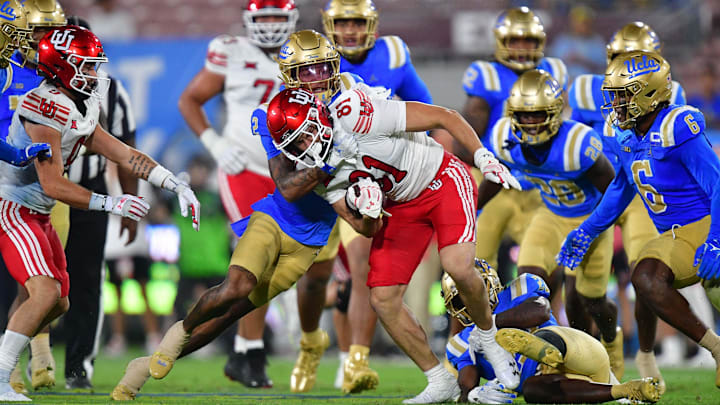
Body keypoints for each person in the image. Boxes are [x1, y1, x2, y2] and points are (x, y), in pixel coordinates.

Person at [265, 63, 523, 403]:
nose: (307, 146)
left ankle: (489, 338)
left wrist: (482, 156)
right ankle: (438, 379)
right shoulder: (317, 174)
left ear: (320, 117)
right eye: (296, 145)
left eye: (309, 133)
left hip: (440, 179)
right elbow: (364, 229)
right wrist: (370, 212)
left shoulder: (357, 112)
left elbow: (444, 116)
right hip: (401, 207)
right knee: (382, 299)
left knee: (458, 266)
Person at [0, 26, 200, 402]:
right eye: (87, 67)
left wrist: (175, 184)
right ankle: (0, 375)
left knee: (60, 301)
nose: (95, 75)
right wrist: (113, 203)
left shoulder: (80, 102)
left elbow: (124, 154)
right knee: (42, 294)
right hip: (14, 207)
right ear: (62, 67)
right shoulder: (43, 106)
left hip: (39, 214)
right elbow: (53, 185)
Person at [290, 0, 437, 394]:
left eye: (357, 22)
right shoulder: (311, 56)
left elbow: (423, 108)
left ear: (370, 24)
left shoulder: (393, 53)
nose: (351, 31)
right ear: (328, 25)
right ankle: (310, 342)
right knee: (315, 279)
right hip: (322, 181)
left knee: (361, 267)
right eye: (343, 22)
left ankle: (357, 360)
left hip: (369, 178)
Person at [557, 51, 720, 392]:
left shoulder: (678, 125)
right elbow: (622, 186)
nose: (615, 103)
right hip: (676, 237)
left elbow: (718, 183)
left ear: (649, 92)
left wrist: (716, 239)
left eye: (623, 94)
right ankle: (717, 348)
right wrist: (589, 228)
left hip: (708, 224)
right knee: (645, 276)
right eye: (614, 94)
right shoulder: (627, 136)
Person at [177, 0, 298, 388]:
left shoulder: (304, 52)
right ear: (249, 20)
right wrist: (214, 144)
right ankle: (241, 350)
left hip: (288, 173)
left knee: (273, 264)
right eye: (263, 18)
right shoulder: (230, 50)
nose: (270, 27)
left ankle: (246, 350)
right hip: (242, 167)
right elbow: (190, 99)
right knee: (255, 259)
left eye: (278, 18)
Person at [567, 20, 688, 386]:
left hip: (639, 191)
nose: (629, 69)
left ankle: (647, 353)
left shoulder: (672, 93)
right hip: (596, 192)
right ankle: (599, 347)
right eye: (623, 58)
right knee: (582, 290)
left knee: (643, 271)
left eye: (640, 60)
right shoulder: (585, 89)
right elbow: (572, 142)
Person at [478, 69, 622, 377]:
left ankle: (609, 342)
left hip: (590, 219)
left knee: (585, 300)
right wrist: (472, 209)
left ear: (555, 113)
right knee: (528, 286)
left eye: (537, 115)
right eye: (523, 115)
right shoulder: (505, 138)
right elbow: (495, 177)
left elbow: (614, 190)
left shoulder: (577, 144)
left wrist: (593, 229)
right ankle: (547, 357)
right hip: (552, 215)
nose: (529, 122)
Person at [441, 261, 661, 404]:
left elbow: (540, 311)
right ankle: (624, 391)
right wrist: (471, 395)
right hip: (567, 379)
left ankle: (541, 350)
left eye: (472, 291)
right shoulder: (462, 341)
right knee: (532, 391)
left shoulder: (520, 288)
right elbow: (467, 382)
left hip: (576, 351)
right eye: (461, 299)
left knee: (546, 337)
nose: (469, 301)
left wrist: (491, 324)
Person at [460, 6, 566, 286]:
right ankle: (461, 331)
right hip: (492, 180)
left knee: (550, 264)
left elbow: (564, 126)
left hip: (536, 182)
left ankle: (544, 325)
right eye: (515, 41)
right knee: (472, 266)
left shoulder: (553, 71)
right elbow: (467, 134)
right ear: (500, 42)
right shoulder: (487, 76)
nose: (522, 48)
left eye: (529, 41)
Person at [1, 0, 68, 394]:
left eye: (52, 32)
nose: (47, 41)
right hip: (7, 189)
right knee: (41, 288)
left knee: (47, 293)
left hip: (41, 193)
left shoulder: (59, 77)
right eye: (39, 32)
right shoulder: (5, 72)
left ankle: (16, 365)